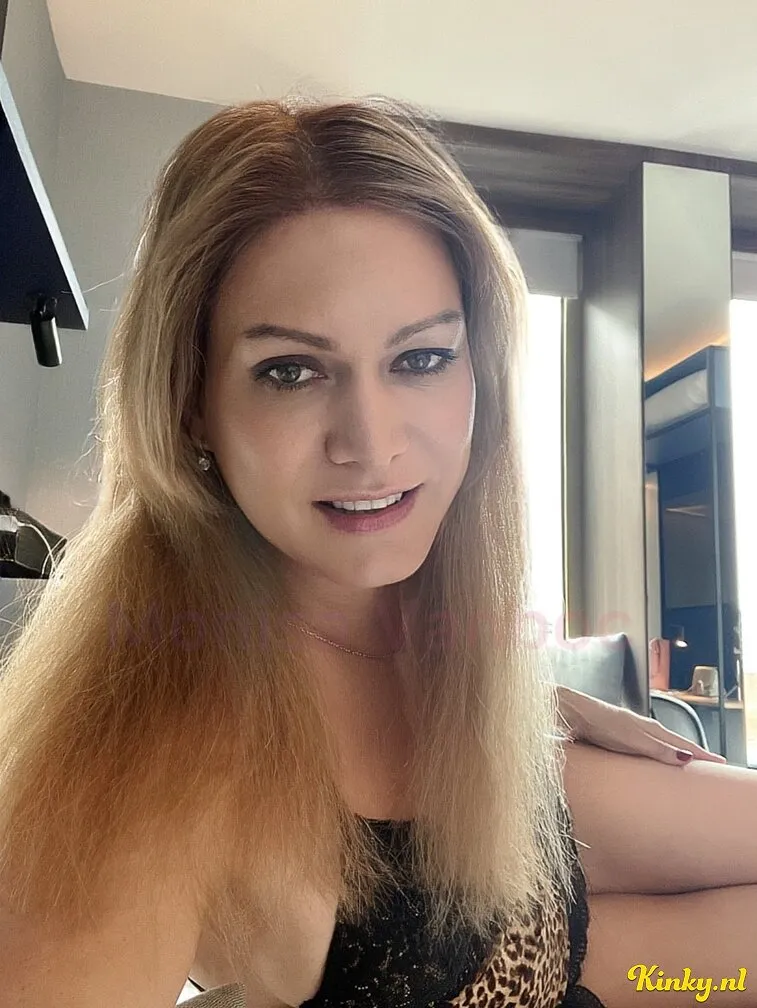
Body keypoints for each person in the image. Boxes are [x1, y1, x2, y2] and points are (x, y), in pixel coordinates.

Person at [0, 95, 753, 1008]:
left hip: (550, 904)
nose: (371, 443)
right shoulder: (136, 761)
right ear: (190, 401)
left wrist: (528, 700)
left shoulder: (441, 641)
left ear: (479, 371)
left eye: (421, 358)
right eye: (290, 370)